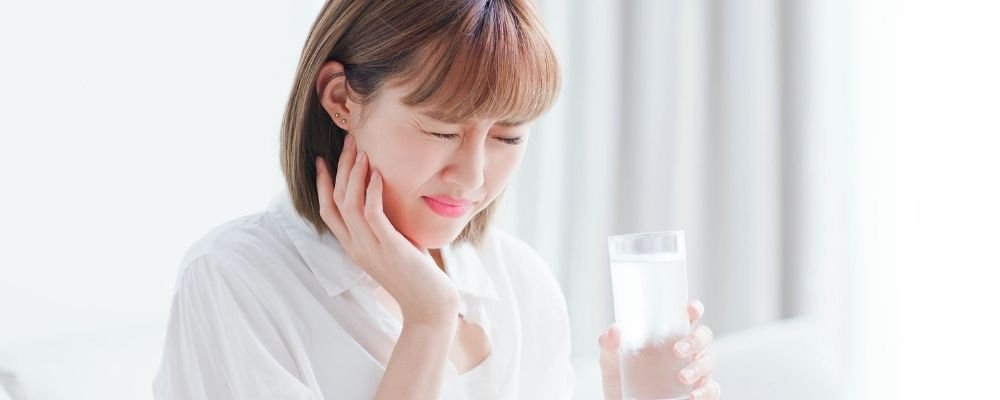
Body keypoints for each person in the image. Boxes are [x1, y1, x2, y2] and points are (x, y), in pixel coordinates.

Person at [152, 0, 721, 399]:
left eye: (508, 137)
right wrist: (428, 321)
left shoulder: (519, 281)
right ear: (341, 97)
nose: (473, 176)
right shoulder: (235, 281)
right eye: (442, 131)